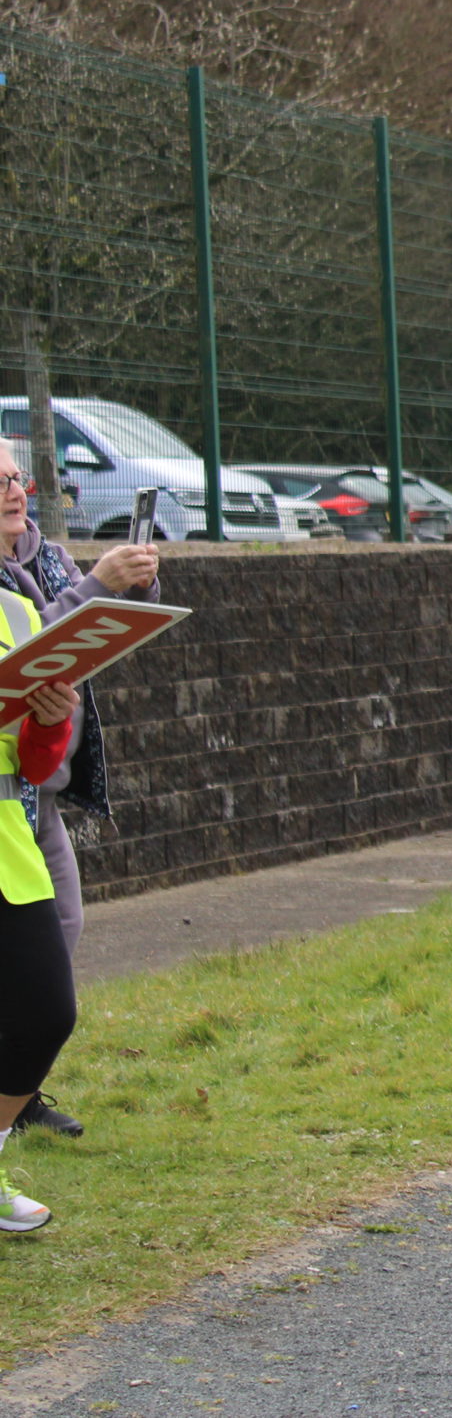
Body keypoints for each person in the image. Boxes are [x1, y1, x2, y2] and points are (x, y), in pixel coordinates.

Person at [0, 442, 160, 1142]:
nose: (13, 491)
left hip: (22, 815)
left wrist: (51, 713)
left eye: (16, 477)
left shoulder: (34, 578)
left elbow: (34, 755)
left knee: (49, 992)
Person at [0, 658, 89, 1232]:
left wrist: (50, 722)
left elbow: (32, 763)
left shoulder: (16, 607)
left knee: (47, 1013)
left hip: (9, 848)